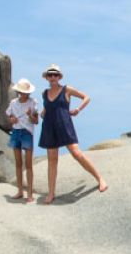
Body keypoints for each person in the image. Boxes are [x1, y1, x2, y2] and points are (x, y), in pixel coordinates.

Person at [38, 64, 108, 201]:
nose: (53, 77)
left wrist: (78, 109)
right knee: (52, 160)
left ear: (59, 77)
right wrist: (42, 114)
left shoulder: (66, 89)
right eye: (50, 74)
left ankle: (100, 178)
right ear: (46, 77)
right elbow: (47, 109)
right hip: (49, 127)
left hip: (64, 125)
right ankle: (51, 193)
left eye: (55, 74)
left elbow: (86, 97)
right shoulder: (44, 93)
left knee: (77, 154)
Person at [6, 78, 39, 203]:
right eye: (23, 92)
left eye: (26, 92)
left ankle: (29, 193)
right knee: (18, 163)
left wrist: (30, 115)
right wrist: (12, 120)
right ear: (19, 92)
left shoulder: (33, 102)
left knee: (29, 164)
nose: (25, 94)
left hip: (27, 133)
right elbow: (9, 116)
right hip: (16, 132)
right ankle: (20, 191)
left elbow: (36, 121)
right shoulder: (13, 102)